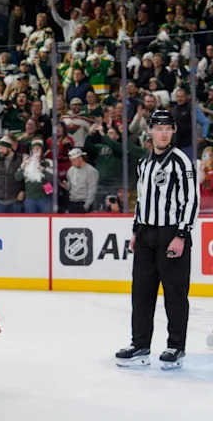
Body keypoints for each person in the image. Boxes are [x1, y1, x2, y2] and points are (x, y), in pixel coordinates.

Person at [116, 110, 198, 371]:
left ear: (173, 131)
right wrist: (135, 231)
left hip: (171, 233)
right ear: (149, 131)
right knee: (141, 292)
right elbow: (140, 201)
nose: (163, 132)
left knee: (174, 292)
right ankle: (140, 343)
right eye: (158, 128)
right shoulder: (144, 164)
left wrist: (181, 235)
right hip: (146, 235)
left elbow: (190, 201)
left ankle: (176, 345)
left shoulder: (181, 162)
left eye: (167, 128)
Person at [16, 139, 54, 213]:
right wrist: (23, 167)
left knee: (46, 221)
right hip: (30, 198)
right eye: (34, 149)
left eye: (38, 148)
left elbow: (52, 178)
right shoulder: (26, 162)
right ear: (31, 151)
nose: (36, 150)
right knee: (31, 222)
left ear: (42, 150)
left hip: (45, 197)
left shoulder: (48, 162)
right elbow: (17, 177)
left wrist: (41, 168)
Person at [61, 148, 98, 213]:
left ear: (80, 158)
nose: (72, 163)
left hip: (84, 203)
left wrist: (86, 206)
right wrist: (66, 186)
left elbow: (92, 190)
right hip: (72, 202)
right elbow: (70, 186)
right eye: (71, 161)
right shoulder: (71, 170)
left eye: (74, 161)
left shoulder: (91, 171)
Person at [0, 136, 23, 213]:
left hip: (15, 200)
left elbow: (25, 178)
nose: (0, 151)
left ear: (9, 148)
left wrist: (23, 191)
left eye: (2, 148)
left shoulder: (20, 160)